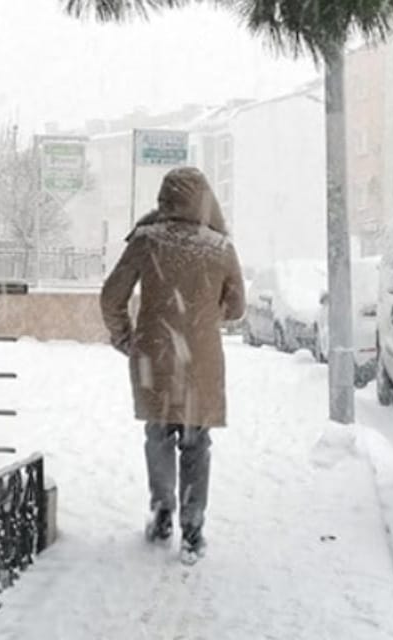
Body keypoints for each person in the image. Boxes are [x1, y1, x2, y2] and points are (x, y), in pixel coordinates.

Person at [100, 167, 245, 564]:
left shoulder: (147, 240)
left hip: (156, 358)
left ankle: (163, 510)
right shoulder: (219, 247)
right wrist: (203, 313)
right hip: (201, 362)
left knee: (159, 434)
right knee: (196, 443)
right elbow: (236, 309)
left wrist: (126, 339)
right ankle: (193, 527)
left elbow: (111, 297)